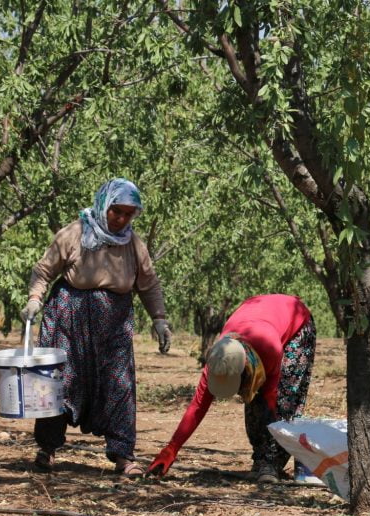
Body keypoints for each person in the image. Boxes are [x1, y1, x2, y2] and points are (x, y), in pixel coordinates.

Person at [22, 177, 172, 477]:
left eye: (129, 214)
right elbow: (44, 270)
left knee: (120, 385)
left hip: (112, 325)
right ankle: (47, 449)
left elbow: (149, 284)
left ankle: (123, 456)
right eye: (117, 211)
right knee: (59, 383)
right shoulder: (74, 234)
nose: (122, 218)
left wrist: (159, 318)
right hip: (68, 319)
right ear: (104, 205)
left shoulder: (133, 244)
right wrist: (35, 298)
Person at [148, 294, 316, 484]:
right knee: (252, 398)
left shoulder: (268, 348)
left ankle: (270, 464)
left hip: (296, 320)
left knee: (284, 399)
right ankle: (261, 461)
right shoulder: (219, 359)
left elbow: (272, 401)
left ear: (246, 368)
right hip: (259, 316)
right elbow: (196, 407)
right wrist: (171, 449)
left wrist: (271, 453)